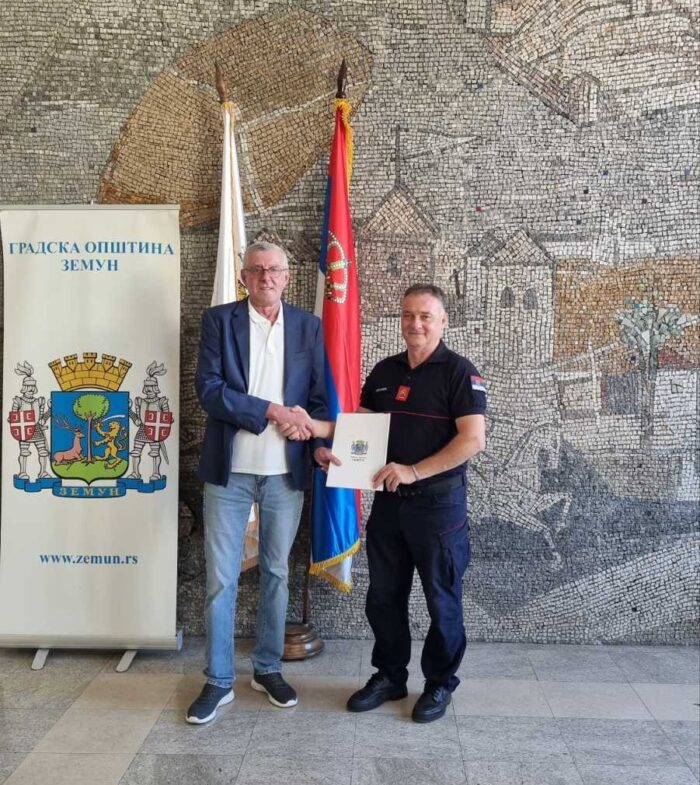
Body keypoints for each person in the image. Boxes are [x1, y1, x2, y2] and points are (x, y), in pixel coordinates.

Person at [310, 284, 486, 723]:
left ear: (443, 321)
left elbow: (472, 440)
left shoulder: (460, 373)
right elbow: (362, 431)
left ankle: (440, 683)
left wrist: (414, 471)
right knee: (384, 597)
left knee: (442, 601)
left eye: (425, 316)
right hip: (389, 507)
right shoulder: (384, 371)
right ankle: (390, 676)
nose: (416, 324)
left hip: (439, 510)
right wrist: (325, 442)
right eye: (408, 315)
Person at [187, 241, 328, 724]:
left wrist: (310, 432)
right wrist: (271, 411)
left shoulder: (308, 327)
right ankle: (218, 680)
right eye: (257, 269)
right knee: (221, 578)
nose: (266, 277)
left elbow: (318, 398)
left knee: (276, 573)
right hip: (230, 470)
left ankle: (267, 669)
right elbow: (209, 390)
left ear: (287, 277)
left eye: (275, 270)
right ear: (243, 276)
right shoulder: (219, 321)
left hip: (285, 472)